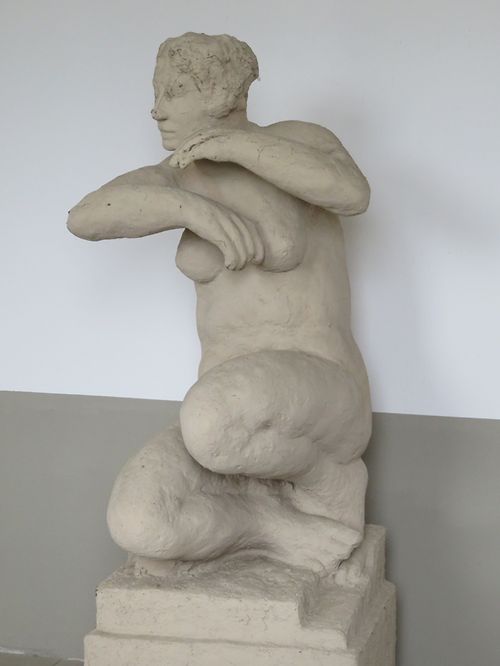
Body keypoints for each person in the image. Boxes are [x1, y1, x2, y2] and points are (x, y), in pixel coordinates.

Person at [67, 32, 372, 574]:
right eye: (157, 92)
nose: (157, 109)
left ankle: (327, 481)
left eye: (175, 91)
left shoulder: (297, 141)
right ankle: (269, 524)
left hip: (319, 393)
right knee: (139, 521)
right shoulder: (177, 176)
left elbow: (350, 193)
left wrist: (233, 145)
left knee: (209, 421)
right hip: (226, 424)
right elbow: (86, 217)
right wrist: (191, 209)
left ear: (223, 94)